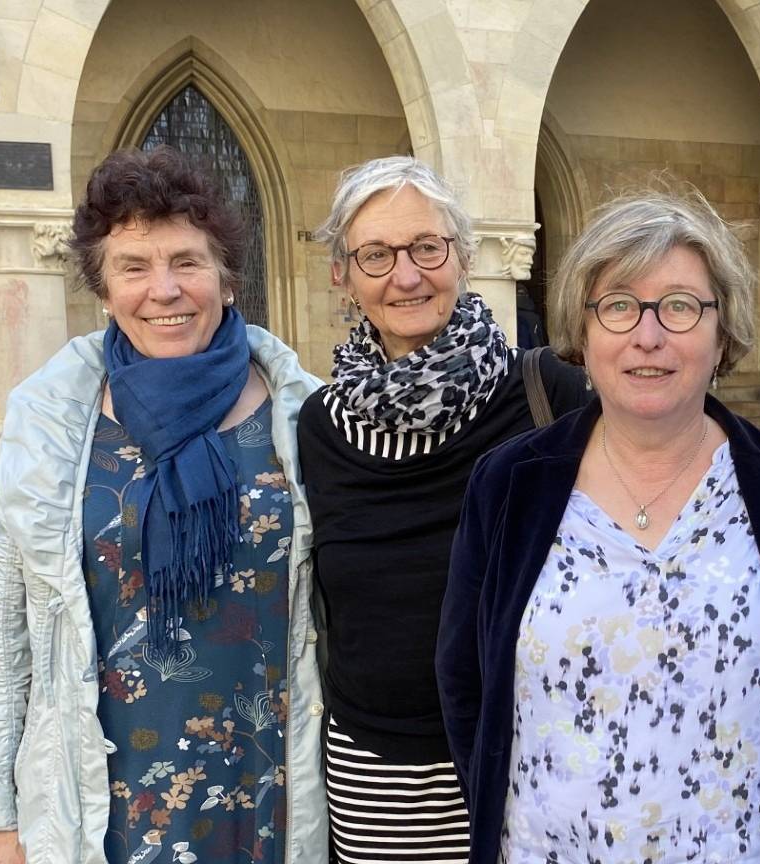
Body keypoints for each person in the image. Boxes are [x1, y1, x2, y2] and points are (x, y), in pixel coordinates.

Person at [438, 192, 760, 864]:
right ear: (584, 331)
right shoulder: (511, 483)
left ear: (722, 332)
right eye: (619, 305)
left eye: (680, 307)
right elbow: (464, 682)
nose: (647, 336)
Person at [0, 147, 328, 864]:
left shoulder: (299, 412)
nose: (165, 290)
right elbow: (3, 631)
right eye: (134, 266)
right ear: (102, 286)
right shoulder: (50, 417)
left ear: (224, 274)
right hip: (104, 792)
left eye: (187, 261)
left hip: (269, 782)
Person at [297, 156, 588, 863]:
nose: (406, 275)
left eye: (427, 247)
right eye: (376, 254)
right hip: (377, 777)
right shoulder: (319, 425)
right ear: (343, 274)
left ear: (460, 256)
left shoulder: (548, 396)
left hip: (528, 756)